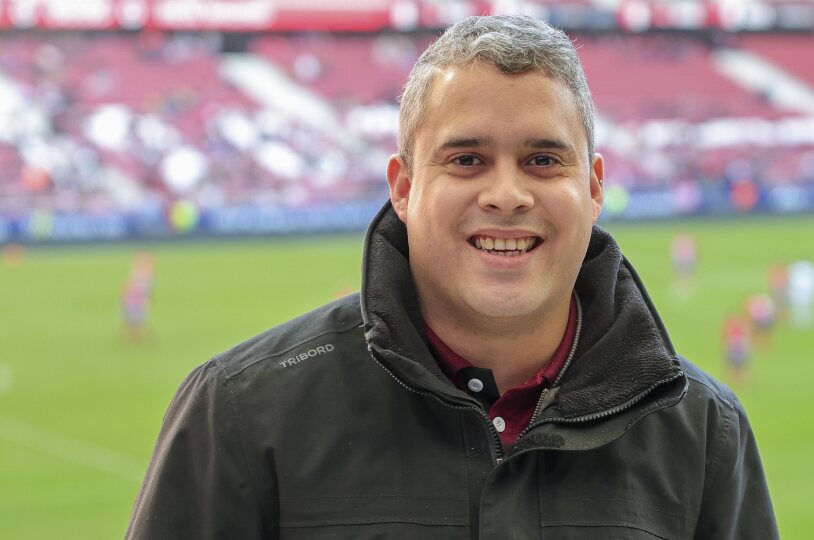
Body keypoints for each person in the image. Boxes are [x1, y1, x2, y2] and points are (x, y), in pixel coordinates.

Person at [127, 16, 778, 539]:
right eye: (466, 159)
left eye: (543, 159)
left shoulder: (701, 431)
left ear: (593, 187)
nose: (505, 194)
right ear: (405, 188)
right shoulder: (241, 412)